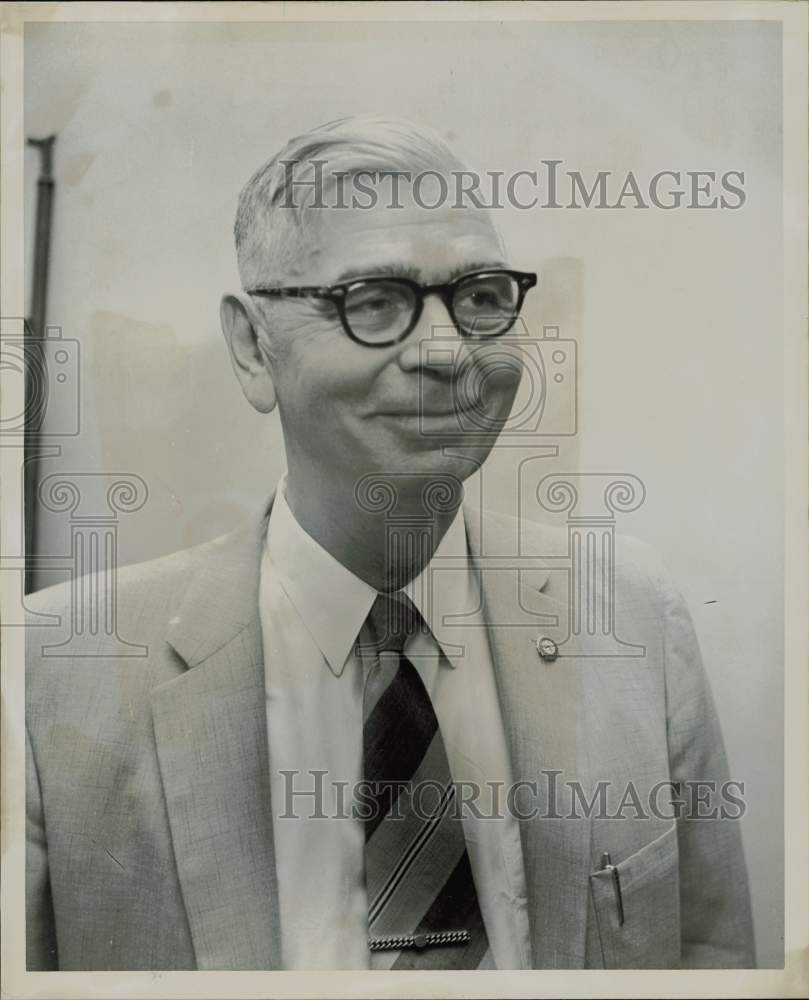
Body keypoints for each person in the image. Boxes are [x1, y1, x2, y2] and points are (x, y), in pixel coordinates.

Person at [25, 115, 755, 971]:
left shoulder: (630, 616)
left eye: (481, 296)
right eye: (374, 302)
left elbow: (712, 958)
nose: (446, 352)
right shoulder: (50, 678)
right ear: (253, 348)